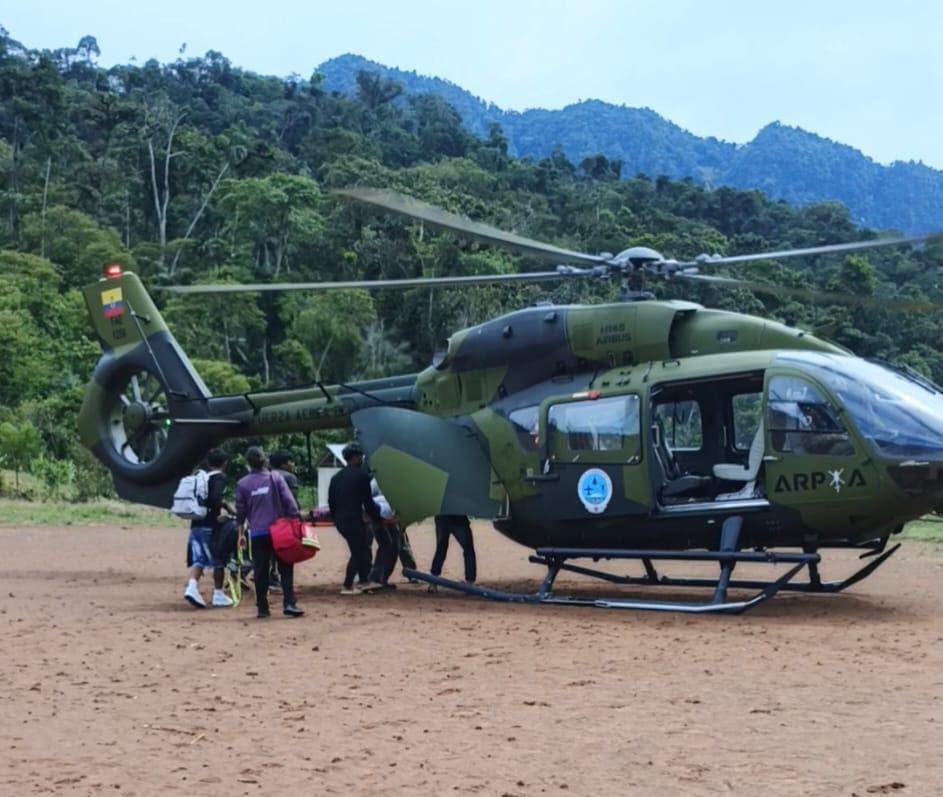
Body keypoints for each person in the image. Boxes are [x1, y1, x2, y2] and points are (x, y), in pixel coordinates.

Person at [235, 446, 304, 619]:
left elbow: (240, 512)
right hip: (279, 532)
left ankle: (262, 607)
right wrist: (295, 520)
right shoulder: (276, 478)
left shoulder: (242, 484)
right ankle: (289, 603)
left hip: (258, 533)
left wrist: (241, 534)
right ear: (264, 460)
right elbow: (291, 503)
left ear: (248, 463)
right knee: (285, 567)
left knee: (260, 570)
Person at [328, 443, 383, 595]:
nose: (362, 459)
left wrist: (336, 519)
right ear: (355, 457)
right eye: (360, 457)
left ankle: (363, 581)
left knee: (360, 548)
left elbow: (331, 502)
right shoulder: (361, 476)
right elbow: (368, 502)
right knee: (359, 550)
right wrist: (377, 517)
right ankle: (348, 585)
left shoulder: (336, 477)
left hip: (340, 520)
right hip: (354, 519)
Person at [184, 448, 234, 609]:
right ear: (225, 464)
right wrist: (220, 513)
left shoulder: (201, 477)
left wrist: (225, 505)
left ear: (207, 463)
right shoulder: (220, 478)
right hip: (210, 525)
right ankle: (218, 594)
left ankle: (192, 587)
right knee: (218, 559)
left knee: (200, 559)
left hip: (196, 523)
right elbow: (215, 498)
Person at [267, 451, 300, 593]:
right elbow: (292, 499)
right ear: (284, 464)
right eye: (290, 461)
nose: (292, 464)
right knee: (285, 550)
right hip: (284, 520)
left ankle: (270, 578)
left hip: (267, 519)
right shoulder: (290, 477)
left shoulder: (266, 476)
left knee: (269, 551)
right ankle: (283, 584)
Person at [367, 478, 401, 587]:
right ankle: (374, 578)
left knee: (395, 546)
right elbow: (368, 503)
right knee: (386, 545)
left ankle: (382, 579)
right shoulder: (375, 483)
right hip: (376, 516)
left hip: (388, 515)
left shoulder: (399, 482)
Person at [429, 515, 477, 589]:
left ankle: (433, 580)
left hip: (442, 519)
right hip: (459, 520)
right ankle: (470, 582)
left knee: (441, 550)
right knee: (468, 550)